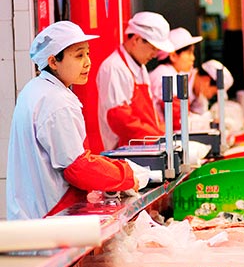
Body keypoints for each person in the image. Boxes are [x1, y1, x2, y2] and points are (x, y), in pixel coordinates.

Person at [6, 21, 141, 220]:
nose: (87, 62)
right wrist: (126, 176)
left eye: (87, 53)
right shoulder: (56, 100)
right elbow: (78, 168)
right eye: (79, 55)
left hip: (32, 217)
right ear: (53, 62)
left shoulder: (37, 89)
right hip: (51, 219)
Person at [96, 11, 175, 150]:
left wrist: (163, 134)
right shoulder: (115, 67)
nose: (155, 55)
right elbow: (121, 121)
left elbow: (148, 114)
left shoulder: (140, 67)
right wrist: (158, 138)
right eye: (153, 48)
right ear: (137, 39)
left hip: (145, 147)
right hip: (125, 152)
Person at [149, 27, 211, 131]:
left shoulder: (172, 73)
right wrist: (206, 122)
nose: (193, 58)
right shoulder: (164, 75)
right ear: (173, 56)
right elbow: (178, 120)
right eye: (189, 53)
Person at [192, 59, 244, 134]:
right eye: (213, 93)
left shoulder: (201, 99)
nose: (210, 96)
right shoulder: (179, 86)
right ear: (206, 81)